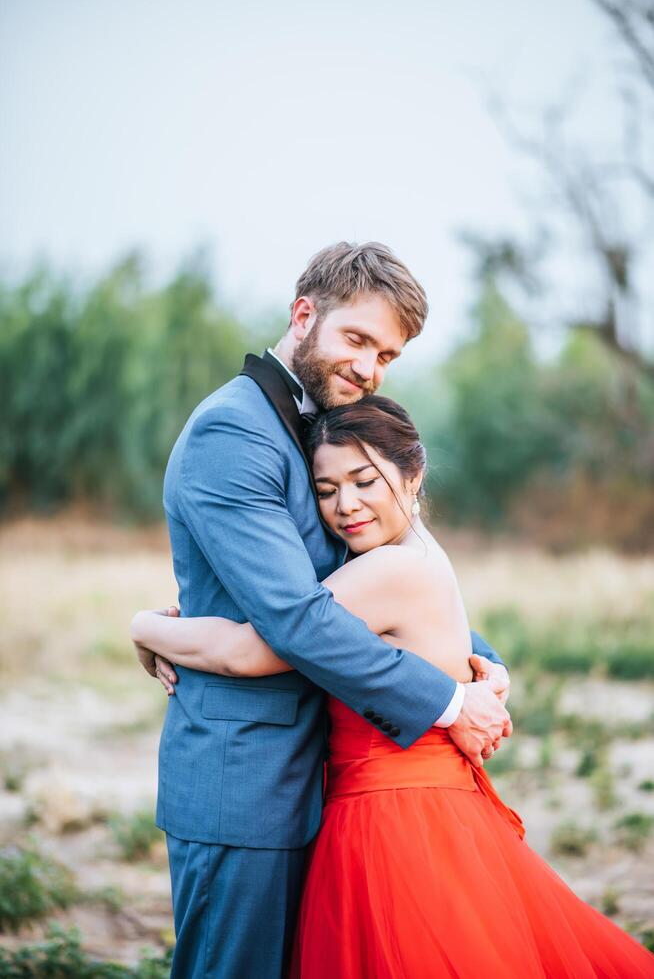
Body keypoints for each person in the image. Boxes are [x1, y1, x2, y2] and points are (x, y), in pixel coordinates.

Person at [133, 395, 654, 979]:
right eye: (326, 491)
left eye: (364, 481)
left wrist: (146, 626)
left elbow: (247, 652)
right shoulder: (415, 555)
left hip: (395, 824)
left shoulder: (391, 570)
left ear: (413, 473)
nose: (345, 507)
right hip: (421, 807)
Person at [133, 242, 511, 979]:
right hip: (246, 781)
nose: (369, 368)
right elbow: (298, 618)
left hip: (328, 784)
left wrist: (477, 659)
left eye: (387, 356)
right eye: (358, 339)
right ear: (304, 315)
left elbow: (377, 577)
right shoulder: (233, 432)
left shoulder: (324, 429)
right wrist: (446, 701)